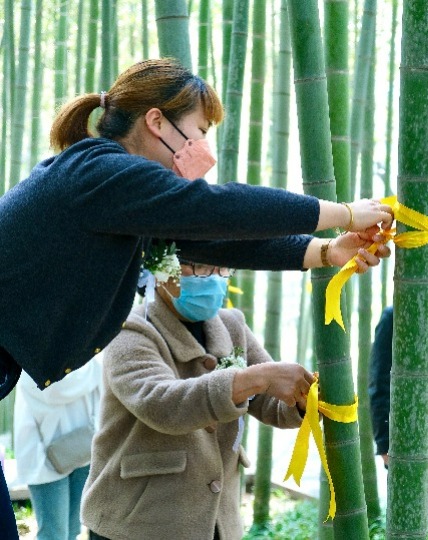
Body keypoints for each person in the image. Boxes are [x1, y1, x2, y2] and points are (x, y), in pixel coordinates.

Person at [0, 58, 393, 538]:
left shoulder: (112, 189)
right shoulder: (101, 172)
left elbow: (212, 240)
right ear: (157, 121)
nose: (202, 148)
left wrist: (328, 252)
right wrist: (344, 213)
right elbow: (216, 210)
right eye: (199, 130)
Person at [81, 257, 311, 539]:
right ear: (160, 267)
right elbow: (163, 405)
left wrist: (302, 399)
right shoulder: (129, 331)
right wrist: (252, 379)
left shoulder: (231, 325)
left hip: (217, 523)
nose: (214, 278)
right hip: (138, 522)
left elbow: (270, 403)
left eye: (222, 268)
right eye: (200, 267)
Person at [368, 245, 428, 529]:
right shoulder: (396, 316)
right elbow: (379, 382)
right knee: (406, 528)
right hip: (410, 443)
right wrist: (385, 442)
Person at [13, 357, 102, 540]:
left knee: (73, 531)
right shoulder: (37, 342)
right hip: (43, 456)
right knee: (54, 535)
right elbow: (54, 390)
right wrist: (94, 365)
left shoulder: (84, 340)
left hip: (82, 447)